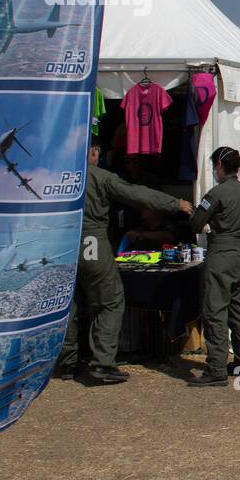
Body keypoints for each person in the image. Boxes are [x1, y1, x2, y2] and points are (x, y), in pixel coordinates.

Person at [57, 142, 193, 384]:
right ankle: (102, 364)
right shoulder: (99, 177)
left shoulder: (57, 176)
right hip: (91, 242)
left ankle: (67, 363)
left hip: (61, 245)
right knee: (110, 300)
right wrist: (176, 204)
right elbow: (136, 193)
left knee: (70, 304)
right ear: (93, 152)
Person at [186, 146, 240, 387]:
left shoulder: (215, 194)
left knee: (215, 311)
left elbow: (196, 224)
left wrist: (190, 213)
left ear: (219, 166)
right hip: (239, 254)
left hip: (220, 255)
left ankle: (215, 368)